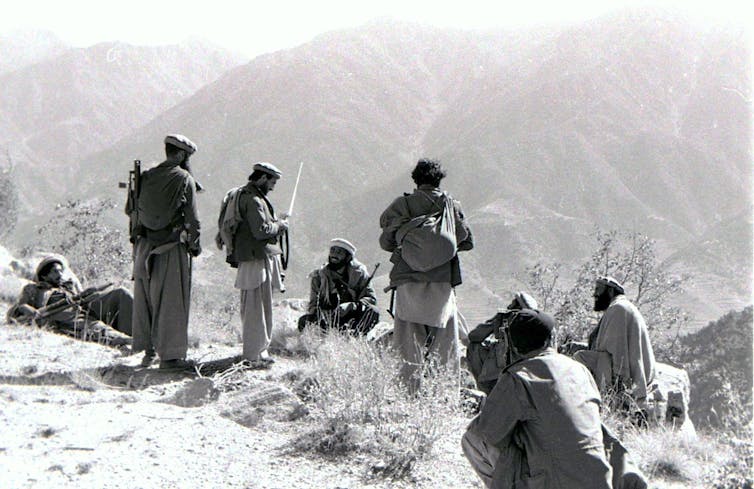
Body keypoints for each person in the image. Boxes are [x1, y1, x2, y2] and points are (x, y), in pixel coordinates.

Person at [463, 309, 629, 489]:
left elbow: (487, 433)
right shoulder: (580, 369)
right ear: (552, 338)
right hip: (601, 482)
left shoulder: (518, 377)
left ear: (514, 346)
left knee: (473, 437)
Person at [379, 158, 473, 393]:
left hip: (408, 281)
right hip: (442, 282)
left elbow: (386, 241)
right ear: (440, 179)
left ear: (415, 179)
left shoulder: (402, 204)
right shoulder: (451, 206)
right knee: (445, 344)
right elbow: (466, 240)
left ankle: (407, 393)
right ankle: (444, 394)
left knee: (408, 344)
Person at [130, 134, 201, 370]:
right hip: (171, 248)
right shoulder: (184, 178)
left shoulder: (146, 176)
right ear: (181, 155)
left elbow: (130, 209)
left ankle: (148, 351)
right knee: (171, 301)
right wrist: (195, 244)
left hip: (144, 248)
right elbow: (192, 218)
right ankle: (170, 358)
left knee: (147, 301)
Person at [225, 162, 288, 367]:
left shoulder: (249, 196)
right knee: (254, 307)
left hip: (255, 258)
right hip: (254, 260)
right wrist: (279, 225)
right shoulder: (253, 200)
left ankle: (259, 351)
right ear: (262, 178)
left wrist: (276, 223)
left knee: (259, 305)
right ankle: (252, 355)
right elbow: (261, 231)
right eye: (272, 182)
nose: (273, 187)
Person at [7, 255, 132, 348]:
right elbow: (21, 305)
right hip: (64, 316)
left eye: (61, 271)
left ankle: (141, 330)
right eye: (55, 271)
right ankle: (132, 340)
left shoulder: (67, 286)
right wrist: (33, 313)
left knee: (120, 294)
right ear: (44, 275)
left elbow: (80, 299)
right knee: (100, 329)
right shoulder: (33, 288)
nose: (60, 274)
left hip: (83, 309)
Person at [576, 276, 656, 412]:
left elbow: (618, 353)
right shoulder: (620, 307)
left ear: (610, 292)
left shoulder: (618, 309)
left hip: (627, 382)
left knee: (580, 358)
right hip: (630, 376)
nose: (594, 294)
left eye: (598, 290)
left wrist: (621, 391)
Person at [298, 238, 378, 334]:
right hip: (328, 317)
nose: (334, 255)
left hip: (352, 317)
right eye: (332, 251)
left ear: (348, 257)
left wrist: (351, 306)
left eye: (339, 252)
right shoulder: (320, 276)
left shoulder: (359, 274)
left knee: (373, 311)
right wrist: (321, 316)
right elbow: (313, 304)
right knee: (304, 321)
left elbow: (371, 299)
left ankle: (355, 339)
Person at [465, 291, 538, 394]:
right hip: (500, 371)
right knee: (475, 347)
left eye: (513, 305)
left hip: (516, 376)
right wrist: (495, 322)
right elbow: (474, 336)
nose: (509, 306)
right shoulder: (505, 320)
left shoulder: (532, 331)